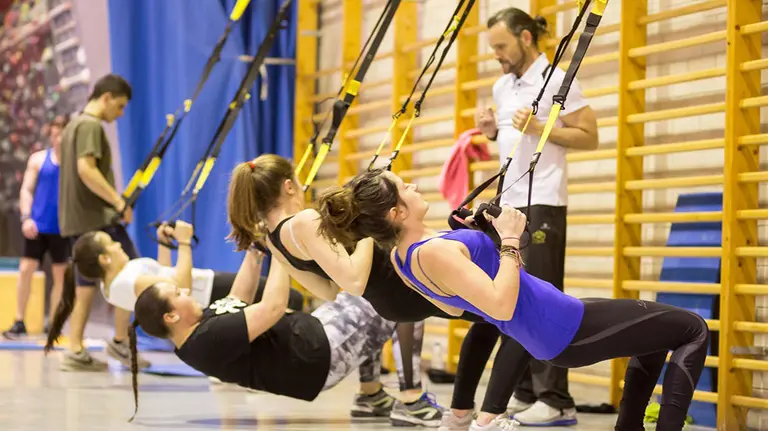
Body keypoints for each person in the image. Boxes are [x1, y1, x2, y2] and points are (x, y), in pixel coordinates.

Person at [317, 168, 710, 431]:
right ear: (397, 212)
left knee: (656, 334)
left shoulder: (405, 257)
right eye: (405, 188)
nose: (414, 187)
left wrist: (480, 241)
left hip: (554, 325)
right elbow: (499, 306)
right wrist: (506, 240)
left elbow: (454, 306)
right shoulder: (431, 252)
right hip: (562, 326)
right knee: (693, 329)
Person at [227, 154, 527, 431]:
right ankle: (489, 418)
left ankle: (462, 413)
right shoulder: (304, 221)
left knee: (492, 320)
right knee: (516, 316)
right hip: (404, 287)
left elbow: (329, 290)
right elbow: (354, 282)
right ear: (289, 186)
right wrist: (367, 226)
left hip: (391, 300)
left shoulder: (274, 240)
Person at [471, 7, 599, 426]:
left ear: (526, 38)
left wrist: (540, 128)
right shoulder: (502, 86)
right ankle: (526, 393)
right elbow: (512, 149)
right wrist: (493, 132)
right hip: (509, 204)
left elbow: (589, 136)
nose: (496, 55)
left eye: (501, 46)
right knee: (513, 298)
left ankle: (556, 397)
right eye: (493, 48)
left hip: (543, 202)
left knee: (541, 298)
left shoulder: (559, 80)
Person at [128, 244, 400, 423]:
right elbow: (272, 308)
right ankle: (411, 399)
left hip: (315, 334)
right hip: (321, 355)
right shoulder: (206, 341)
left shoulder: (198, 329)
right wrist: (281, 252)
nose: (186, 291)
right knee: (403, 293)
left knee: (376, 291)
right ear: (171, 316)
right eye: (178, 294)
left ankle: (370, 394)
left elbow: (236, 298)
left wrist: (254, 251)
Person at [43, 220, 305, 355]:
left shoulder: (118, 281)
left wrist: (164, 243)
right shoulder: (127, 282)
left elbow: (163, 276)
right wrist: (183, 243)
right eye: (111, 243)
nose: (118, 244)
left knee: (285, 302)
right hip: (208, 292)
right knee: (290, 299)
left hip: (209, 285)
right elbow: (181, 288)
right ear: (104, 258)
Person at [57, 73, 143, 371]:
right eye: (119, 107)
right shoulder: (91, 126)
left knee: (84, 287)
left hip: (77, 222)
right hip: (98, 222)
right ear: (105, 98)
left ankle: (75, 348)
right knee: (132, 273)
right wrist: (118, 201)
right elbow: (86, 170)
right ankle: (120, 342)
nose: (119, 115)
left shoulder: (72, 126)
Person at [3, 116, 70, 339]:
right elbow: (26, 190)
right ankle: (19, 320)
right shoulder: (39, 159)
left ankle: (54, 324)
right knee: (25, 270)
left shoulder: (75, 163)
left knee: (61, 276)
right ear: (50, 133)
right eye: (56, 132)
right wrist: (26, 218)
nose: (59, 137)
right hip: (37, 226)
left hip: (62, 228)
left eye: (63, 132)